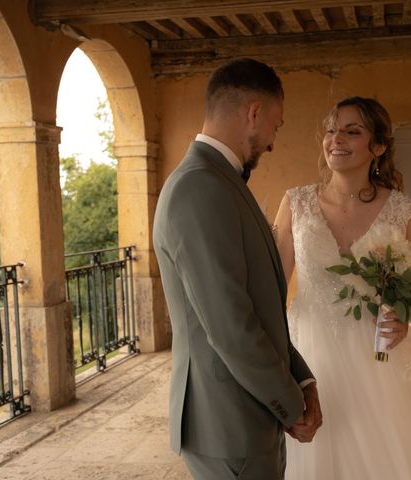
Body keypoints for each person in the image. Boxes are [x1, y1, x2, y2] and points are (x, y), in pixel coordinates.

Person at [274, 96, 411, 479]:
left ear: (377, 147)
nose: (335, 139)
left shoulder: (403, 211)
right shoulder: (296, 203)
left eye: (351, 131)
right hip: (313, 352)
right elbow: (274, 286)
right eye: (331, 130)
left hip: (381, 361)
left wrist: (405, 323)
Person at [153, 58, 322, 480]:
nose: (272, 143)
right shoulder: (199, 187)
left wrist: (301, 380)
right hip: (227, 425)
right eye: (276, 126)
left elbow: (259, 307)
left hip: (245, 417)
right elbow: (231, 325)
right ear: (254, 112)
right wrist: (289, 401)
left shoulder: (221, 181)